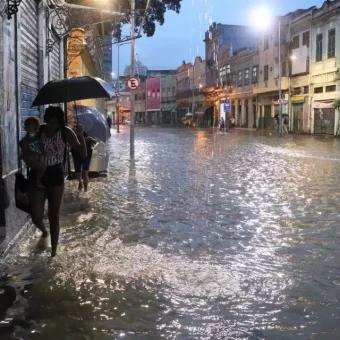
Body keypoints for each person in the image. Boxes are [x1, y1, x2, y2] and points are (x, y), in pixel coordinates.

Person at [21, 106, 87, 257]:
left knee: (54, 216)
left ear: (60, 122)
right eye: (50, 123)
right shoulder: (39, 130)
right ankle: (44, 232)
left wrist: (81, 136)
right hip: (38, 173)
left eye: (55, 123)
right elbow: (27, 145)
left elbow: (82, 154)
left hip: (56, 175)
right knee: (36, 215)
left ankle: (54, 252)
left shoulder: (66, 132)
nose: (52, 126)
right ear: (46, 121)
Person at [20, 117, 44, 189]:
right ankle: (39, 182)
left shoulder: (37, 137)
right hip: (31, 159)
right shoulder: (26, 140)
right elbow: (26, 151)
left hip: (36, 158)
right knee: (43, 168)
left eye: (35, 129)